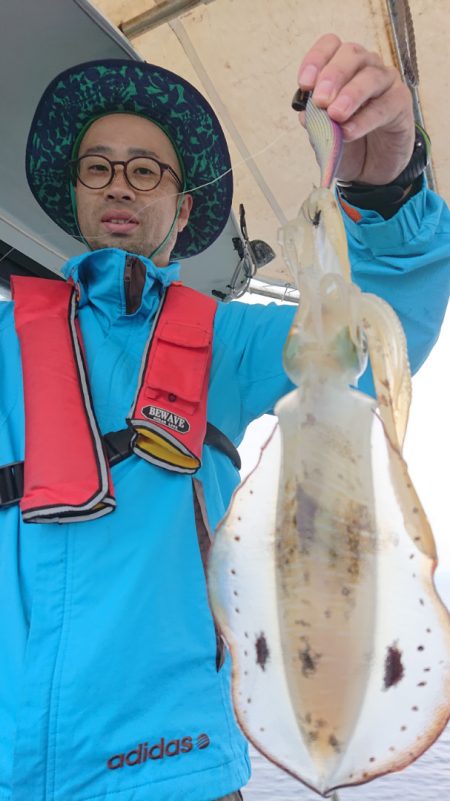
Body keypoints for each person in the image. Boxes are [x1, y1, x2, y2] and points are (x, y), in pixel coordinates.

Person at [0, 33, 449, 801]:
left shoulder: (224, 342)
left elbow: (379, 324)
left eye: (146, 170)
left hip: (180, 770)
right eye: (98, 167)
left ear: (182, 210)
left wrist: (388, 190)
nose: (120, 185)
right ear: (75, 195)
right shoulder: (8, 343)